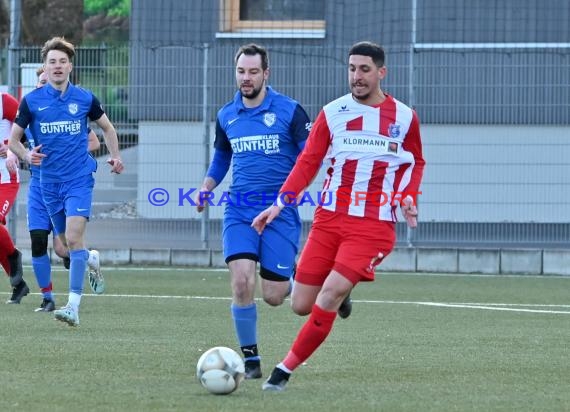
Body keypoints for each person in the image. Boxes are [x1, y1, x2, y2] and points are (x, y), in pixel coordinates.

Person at [252, 41, 426, 391]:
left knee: (326, 295)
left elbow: (416, 162)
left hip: (373, 227)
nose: (356, 76)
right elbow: (308, 162)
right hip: (329, 220)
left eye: (364, 69)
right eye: (351, 68)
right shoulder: (333, 113)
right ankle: (343, 292)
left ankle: (282, 371)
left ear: (381, 72)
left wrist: (407, 197)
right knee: (301, 305)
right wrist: (279, 204)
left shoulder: (404, 118)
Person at [195, 43, 312, 379]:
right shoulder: (226, 115)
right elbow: (221, 158)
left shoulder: (290, 111)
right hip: (240, 210)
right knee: (242, 281)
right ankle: (250, 361)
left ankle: (306, 283)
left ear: (266, 73)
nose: (246, 78)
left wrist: (287, 198)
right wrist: (206, 187)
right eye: (241, 71)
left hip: (280, 211)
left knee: (275, 296)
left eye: (253, 72)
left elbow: (309, 159)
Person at [9, 36, 124, 326]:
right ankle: (91, 260)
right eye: (52, 62)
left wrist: (116, 156)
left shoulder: (84, 98)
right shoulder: (31, 102)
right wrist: (26, 154)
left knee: (72, 238)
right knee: (63, 246)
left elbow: (107, 129)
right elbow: (13, 140)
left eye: (62, 61)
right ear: (44, 69)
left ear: (70, 66)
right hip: (47, 183)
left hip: (78, 179)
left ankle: (72, 305)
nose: (57, 66)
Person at [24, 67, 104, 313]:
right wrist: (16, 154)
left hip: (65, 181)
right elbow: (17, 145)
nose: (42, 85)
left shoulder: (64, 114)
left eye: (46, 81)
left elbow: (94, 141)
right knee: (37, 241)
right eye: (40, 82)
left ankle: (89, 258)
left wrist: (70, 157)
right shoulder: (29, 113)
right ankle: (47, 298)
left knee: (63, 247)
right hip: (38, 187)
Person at [1, 92, 28, 304]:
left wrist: (10, 147)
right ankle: (19, 285)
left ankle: (14, 256)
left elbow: (25, 129)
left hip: (6, 180)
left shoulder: (5, 102)